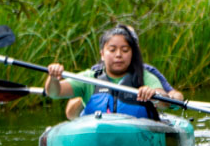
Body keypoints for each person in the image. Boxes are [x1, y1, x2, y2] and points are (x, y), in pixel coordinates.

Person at [45, 24, 176, 120]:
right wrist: (53, 78)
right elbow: (54, 92)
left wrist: (155, 95)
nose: (118, 55)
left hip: (136, 137)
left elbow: (165, 102)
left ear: (132, 54)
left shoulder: (145, 76)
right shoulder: (90, 78)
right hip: (97, 136)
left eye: (125, 50)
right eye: (112, 50)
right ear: (102, 54)